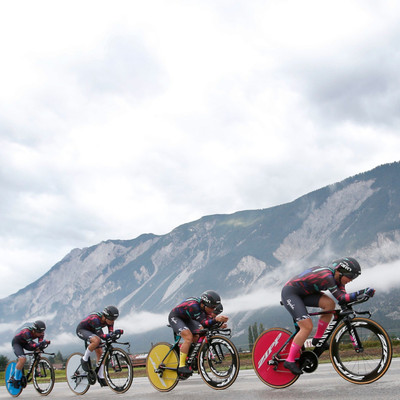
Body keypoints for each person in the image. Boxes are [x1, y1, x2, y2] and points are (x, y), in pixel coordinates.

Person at [281, 257, 375, 375]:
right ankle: (289, 361)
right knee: (306, 327)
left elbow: (342, 300)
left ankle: (318, 339)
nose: (351, 280)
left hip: (305, 293)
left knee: (329, 304)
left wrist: (362, 296)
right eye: (350, 277)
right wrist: (362, 292)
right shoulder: (327, 276)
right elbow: (341, 298)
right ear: (340, 272)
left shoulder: (338, 280)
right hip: (291, 293)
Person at [168, 290, 229, 375]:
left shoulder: (204, 307)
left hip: (188, 318)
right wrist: (216, 319)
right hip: (176, 317)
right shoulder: (195, 307)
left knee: (197, 335)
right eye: (211, 307)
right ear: (204, 304)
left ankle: (191, 358)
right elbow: (205, 323)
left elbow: (207, 323)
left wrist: (219, 324)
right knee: (188, 337)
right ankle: (181, 366)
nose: (213, 310)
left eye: (214, 308)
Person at [76, 305, 123, 386]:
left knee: (100, 352)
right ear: (105, 316)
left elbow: (109, 334)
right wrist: (112, 334)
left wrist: (115, 333)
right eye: (111, 319)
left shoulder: (110, 320)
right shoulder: (95, 319)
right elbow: (101, 336)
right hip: (82, 330)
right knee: (97, 340)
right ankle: (84, 359)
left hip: (93, 331)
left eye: (114, 319)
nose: (112, 321)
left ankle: (100, 377)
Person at [11, 320, 50, 388]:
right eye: (39, 332)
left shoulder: (41, 333)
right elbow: (32, 345)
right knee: (23, 359)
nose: (41, 334)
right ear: (34, 330)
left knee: (39, 349)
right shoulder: (27, 332)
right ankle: (15, 379)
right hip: (17, 343)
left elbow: (39, 344)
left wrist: (43, 344)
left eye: (42, 332)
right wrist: (42, 343)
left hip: (26, 343)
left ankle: (36, 368)